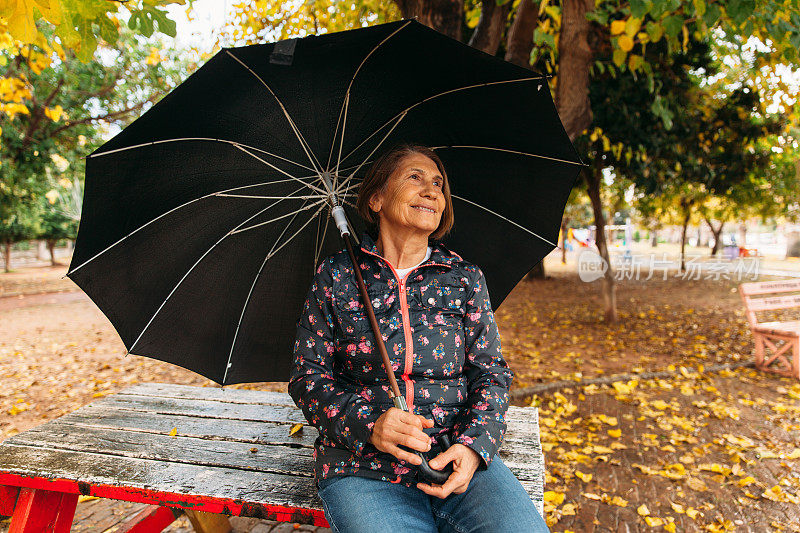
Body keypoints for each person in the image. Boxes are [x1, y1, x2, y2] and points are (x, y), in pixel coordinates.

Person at [288, 143, 549, 532]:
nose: (431, 191)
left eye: (438, 184)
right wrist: (371, 424)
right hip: (363, 468)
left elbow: (491, 373)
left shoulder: (464, 278)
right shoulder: (338, 276)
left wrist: (474, 445)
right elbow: (308, 379)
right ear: (376, 199)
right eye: (415, 177)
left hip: (453, 456)